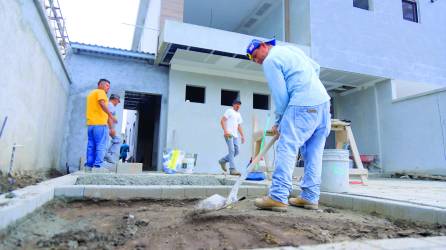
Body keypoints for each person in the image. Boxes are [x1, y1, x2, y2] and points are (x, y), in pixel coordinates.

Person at [247, 38, 331, 211]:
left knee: (286, 147)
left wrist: (279, 122)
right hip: (323, 104)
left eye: (256, 56)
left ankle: (278, 196)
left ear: (264, 46)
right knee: (314, 153)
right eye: (254, 60)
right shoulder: (291, 50)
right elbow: (316, 67)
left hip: (302, 104)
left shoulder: (270, 60)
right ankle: (310, 197)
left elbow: (281, 96)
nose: (257, 61)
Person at [85, 79, 117, 171]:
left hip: (91, 125)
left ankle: (89, 166)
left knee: (91, 145)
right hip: (99, 124)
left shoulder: (91, 94)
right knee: (101, 145)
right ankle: (98, 166)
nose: (108, 88)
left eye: (109, 86)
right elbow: (102, 103)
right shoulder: (101, 92)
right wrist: (111, 116)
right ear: (101, 85)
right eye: (107, 85)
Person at [218, 99, 245, 176]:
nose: (238, 106)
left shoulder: (239, 114)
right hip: (229, 134)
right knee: (232, 150)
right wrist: (225, 131)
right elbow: (222, 120)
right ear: (233, 104)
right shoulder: (229, 111)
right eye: (237, 104)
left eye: (239, 105)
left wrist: (242, 136)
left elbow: (239, 126)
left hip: (235, 136)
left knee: (237, 151)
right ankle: (232, 169)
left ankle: (222, 160)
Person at [104, 94, 121, 164]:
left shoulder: (110, 105)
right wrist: (111, 128)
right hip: (108, 128)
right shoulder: (110, 105)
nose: (118, 103)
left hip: (108, 127)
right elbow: (109, 117)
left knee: (117, 140)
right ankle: (107, 155)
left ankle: (108, 155)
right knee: (107, 142)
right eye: (118, 101)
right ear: (115, 99)